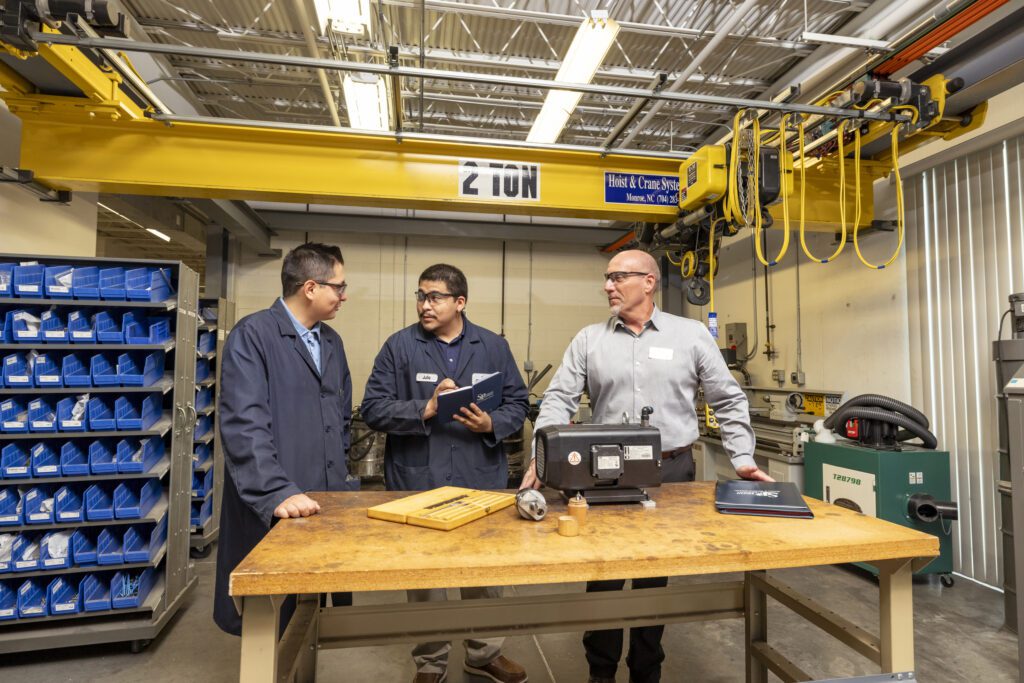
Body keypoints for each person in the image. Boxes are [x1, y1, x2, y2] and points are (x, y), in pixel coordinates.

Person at [520, 249, 771, 683]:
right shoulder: (589, 339)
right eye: (606, 278)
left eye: (617, 277)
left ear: (649, 282)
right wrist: (542, 456)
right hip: (601, 474)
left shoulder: (690, 336)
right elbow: (559, 399)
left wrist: (743, 459)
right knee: (603, 575)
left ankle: (646, 670)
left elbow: (728, 400)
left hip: (669, 472)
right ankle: (600, 671)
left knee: (655, 577)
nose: (607, 286)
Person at [361, 263, 530, 683]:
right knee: (425, 577)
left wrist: (492, 424)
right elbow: (373, 408)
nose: (424, 304)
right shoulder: (399, 346)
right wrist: (426, 408)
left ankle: (484, 652)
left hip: (479, 476)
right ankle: (430, 661)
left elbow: (518, 402)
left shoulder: (492, 346)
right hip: (419, 478)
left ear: (460, 302)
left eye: (434, 296)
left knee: (484, 572)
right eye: (420, 295)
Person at [214, 242, 358, 636]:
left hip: (324, 498)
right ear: (310, 288)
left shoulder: (331, 342)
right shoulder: (254, 335)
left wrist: (339, 480)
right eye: (339, 287)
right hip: (279, 500)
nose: (344, 296)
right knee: (272, 619)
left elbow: (341, 415)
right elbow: (244, 426)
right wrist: (276, 491)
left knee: (312, 611)